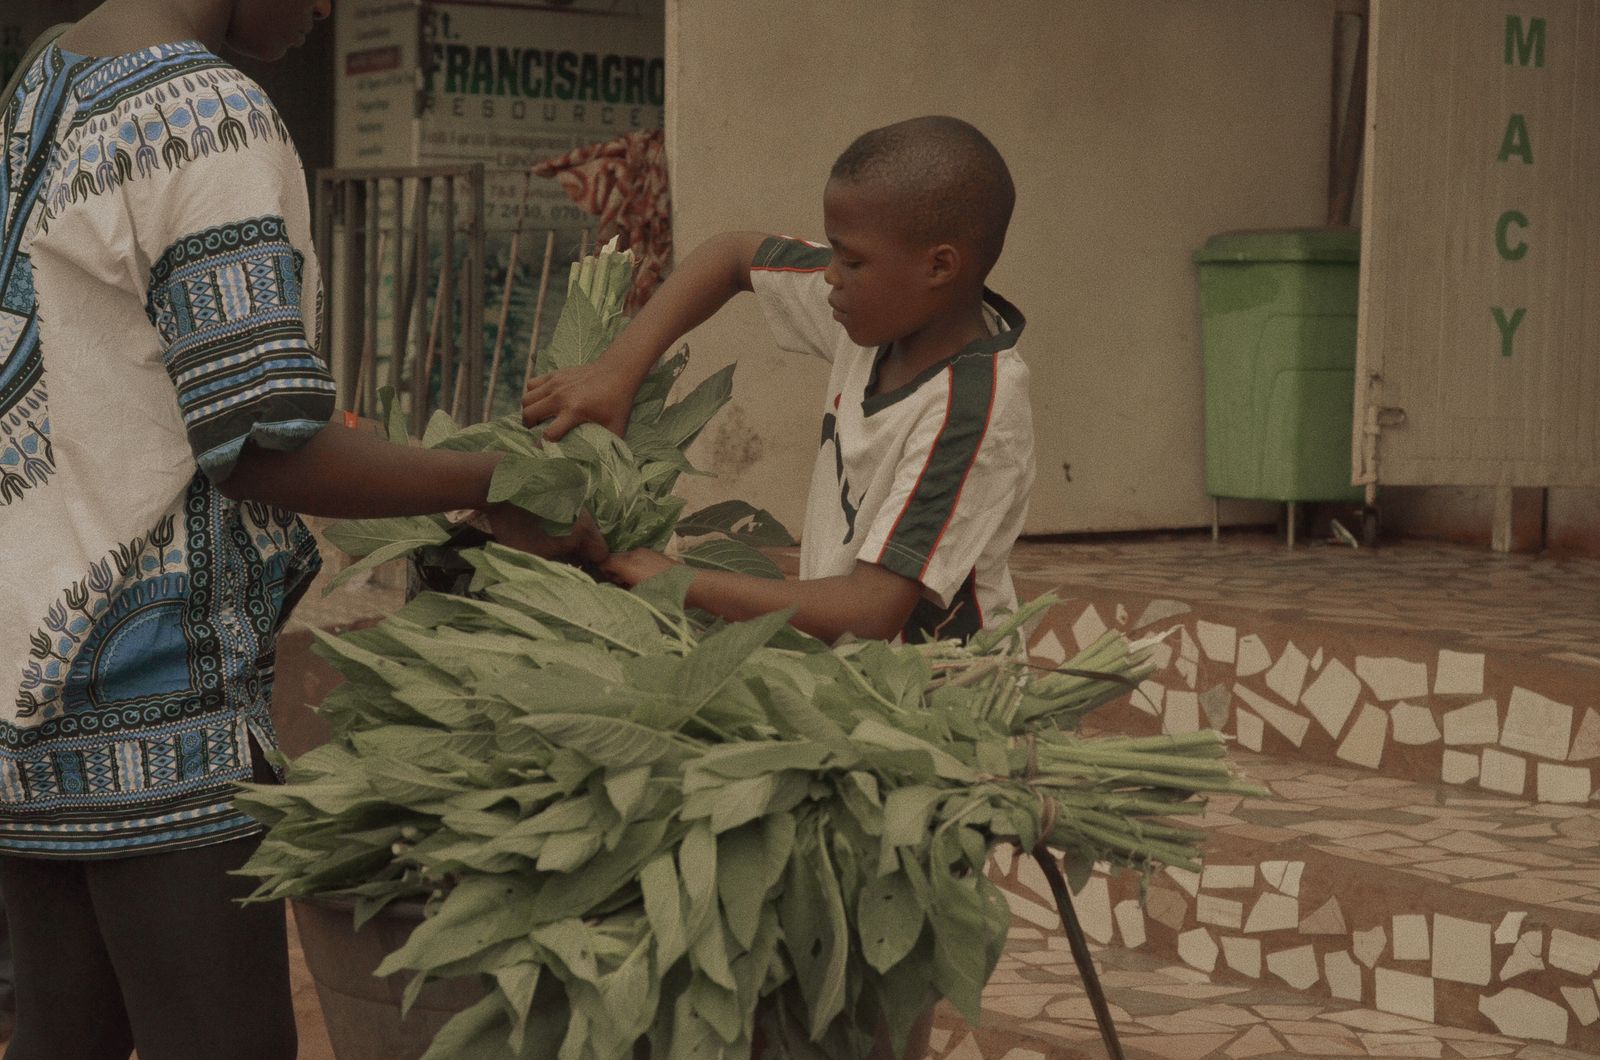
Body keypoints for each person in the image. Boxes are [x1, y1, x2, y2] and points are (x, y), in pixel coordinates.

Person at [0, 2, 602, 1057]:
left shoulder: (44, 78)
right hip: (163, 704)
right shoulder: (210, 111)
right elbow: (262, 440)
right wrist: (502, 477)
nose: (329, 7)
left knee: (63, 1035)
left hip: (25, 685)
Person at [524, 115, 1034, 649]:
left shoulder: (973, 410)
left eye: (852, 259)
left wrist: (681, 580)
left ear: (938, 267)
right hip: (848, 673)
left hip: (942, 702)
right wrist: (616, 372)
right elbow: (730, 257)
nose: (831, 275)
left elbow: (872, 608)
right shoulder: (879, 313)